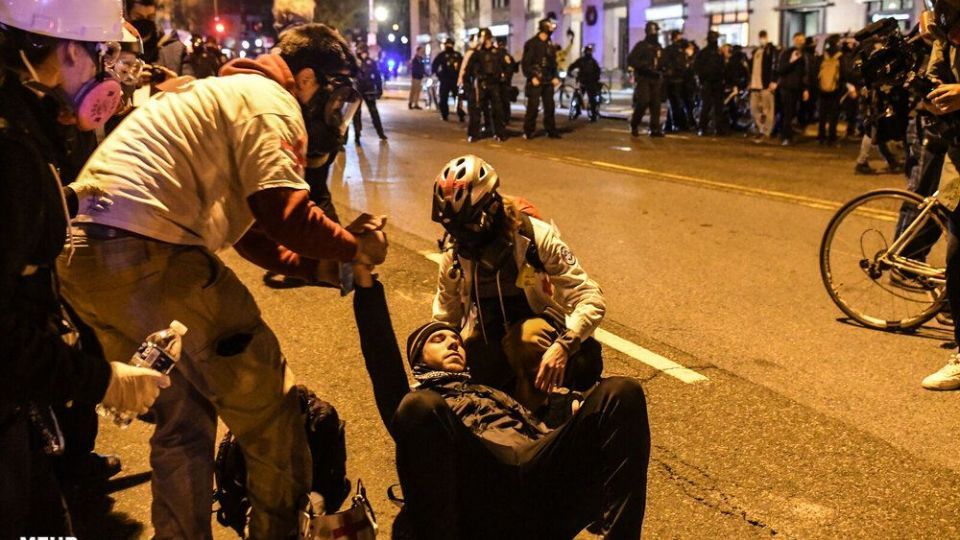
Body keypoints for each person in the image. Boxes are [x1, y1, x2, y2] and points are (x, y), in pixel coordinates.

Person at [56, 24, 389, 539]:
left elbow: (252, 234)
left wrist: (316, 266)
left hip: (86, 260)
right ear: (306, 79)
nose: (332, 108)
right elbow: (284, 211)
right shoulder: (271, 101)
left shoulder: (223, 94)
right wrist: (355, 247)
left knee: (184, 418)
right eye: (333, 92)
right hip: (147, 252)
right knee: (271, 410)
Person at [0, 0, 170, 535]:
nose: (107, 73)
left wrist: (67, 198)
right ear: (71, 50)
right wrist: (102, 380)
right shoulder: (11, 149)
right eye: (104, 56)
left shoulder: (19, 121)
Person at [351, 265, 651, 539]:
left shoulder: (488, 390)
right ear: (418, 361)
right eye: (438, 340)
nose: (452, 342)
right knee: (417, 406)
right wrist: (364, 278)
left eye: (455, 340)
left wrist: (569, 422)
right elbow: (381, 359)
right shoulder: (424, 407)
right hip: (481, 492)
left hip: (538, 484)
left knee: (621, 392)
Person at [431, 155, 605, 412]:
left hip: (541, 336)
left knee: (524, 341)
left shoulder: (535, 237)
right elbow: (446, 317)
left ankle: (545, 412)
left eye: (467, 226)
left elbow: (590, 296)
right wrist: (436, 362)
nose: (461, 238)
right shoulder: (456, 251)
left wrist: (565, 345)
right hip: (492, 336)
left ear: (490, 208)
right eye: (454, 229)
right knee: (471, 364)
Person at [915, 0, 960, 389]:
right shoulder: (945, 30)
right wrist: (931, 94)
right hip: (959, 161)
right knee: (957, 258)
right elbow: (935, 77)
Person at [521, 17, 561, 139]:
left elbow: (553, 63)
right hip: (536, 79)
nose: (552, 29)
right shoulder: (531, 44)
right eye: (550, 26)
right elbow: (525, 64)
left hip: (548, 79)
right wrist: (532, 76)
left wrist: (555, 76)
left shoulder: (550, 44)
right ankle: (528, 130)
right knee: (533, 107)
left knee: (549, 106)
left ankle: (551, 130)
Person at [466, 28, 507, 142]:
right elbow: (469, 70)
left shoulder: (497, 53)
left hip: (494, 84)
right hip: (481, 84)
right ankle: (473, 133)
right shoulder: (477, 53)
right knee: (476, 109)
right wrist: (469, 83)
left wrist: (503, 77)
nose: (485, 41)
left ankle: (499, 133)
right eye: (483, 38)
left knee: (497, 109)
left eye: (487, 38)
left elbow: (506, 66)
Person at [628, 21, 665, 137]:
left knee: (656, 104)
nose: (656, 34)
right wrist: (644, 66)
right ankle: (634, 124)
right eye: (655, 31)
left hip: (656, 78)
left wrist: (664, 68)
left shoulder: (658, 47)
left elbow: (662, 61)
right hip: (644, 77)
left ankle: (654, 128)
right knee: (643, 101)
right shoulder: (641, 46)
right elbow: (631, 60)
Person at [777, 32, 810, 145]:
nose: (800, 42)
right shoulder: (786, 53)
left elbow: (805, 73)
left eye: (802, 40)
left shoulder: (804, 55)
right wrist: (792, 61)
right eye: (798, 40)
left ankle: (788, 134)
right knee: (787, 112)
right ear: (793, 40)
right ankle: (786, 136)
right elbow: (781, 69)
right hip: (786, 87)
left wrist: (805, 89)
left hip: (797, 88)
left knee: (792, 112)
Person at [353, 42, 387, 143]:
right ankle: (357, 135)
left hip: (369, 90)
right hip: (358, 90)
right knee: (356, 113)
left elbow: (377, 76)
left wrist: (379, 89)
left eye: (364, 51)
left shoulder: (371, 62)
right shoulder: (355, 63)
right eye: (361, 51)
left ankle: (380, 133)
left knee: (373, 112)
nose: (363, 53)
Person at [816, 34, 847, 145]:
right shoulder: (840, 56)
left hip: (822, 89)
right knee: (833, 114)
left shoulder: (822, 55)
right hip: (835, 89)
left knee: (822, 114)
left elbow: (816, 72)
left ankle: (821, 137)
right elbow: (844, 73)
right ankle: (831, 137)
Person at [695, 31, 726, 136]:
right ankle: (704, 128)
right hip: (708, 82)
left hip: (715, 82)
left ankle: (715, 128)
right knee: (708, 106)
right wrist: (702, 79)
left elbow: (723, 67)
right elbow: (697, 68)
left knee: (716, 106)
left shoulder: (717, 53)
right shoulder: (705, 53)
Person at [748, 30, 778, 140]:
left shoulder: (771, 50)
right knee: (754, 108)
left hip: (766, 84)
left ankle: (765, 132)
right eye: (761, 37)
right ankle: (761, 128)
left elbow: (775, 65)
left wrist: (774, 80)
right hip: (755, 85)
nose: (762, 39)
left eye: (764, 37)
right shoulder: (757, 51)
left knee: (768, 109)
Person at [663, 31, 692, 131]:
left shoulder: (680, 50)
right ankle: (678, 124)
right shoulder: (673, 50)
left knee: (675, 103)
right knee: (676, 103)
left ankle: (670, 125)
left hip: (679, 80)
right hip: (674, 80)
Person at [431, 37, 465, 121]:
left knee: (456, 98)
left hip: (453, 80)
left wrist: (461, 76)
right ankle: (446, 114)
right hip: (447, 79)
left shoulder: (456, 55)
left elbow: (462, 66)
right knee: (445, 98)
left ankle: (459, 114)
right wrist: (439, 75)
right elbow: (435, 65)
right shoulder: (443, 55)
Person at [568, 44, 602, 121]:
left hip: (586, 82)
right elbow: (598, 71)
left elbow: (572, 66)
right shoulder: (591, 61)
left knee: (584, 96)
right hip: (586, 82)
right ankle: (591, 114)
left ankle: (588, 113)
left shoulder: (586, 61)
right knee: (582, 96)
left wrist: (569, 72)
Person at [409, 45, 426, 109]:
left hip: (419, 77)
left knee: (417, 91)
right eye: (421, 51)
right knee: (414, 90)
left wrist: (425, 73)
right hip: (416, 77)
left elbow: (422, 68)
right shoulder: (415, 59)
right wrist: (421, 73)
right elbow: (415, 68)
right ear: (418, 51)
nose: (422, 52)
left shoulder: (421, 59)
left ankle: (415, 103)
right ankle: (411, 103)